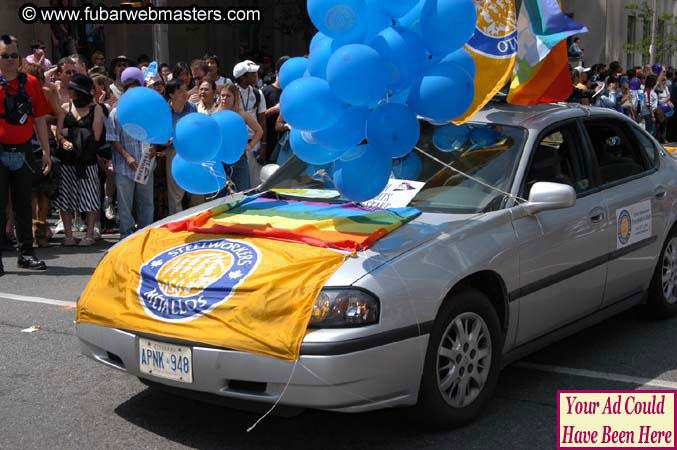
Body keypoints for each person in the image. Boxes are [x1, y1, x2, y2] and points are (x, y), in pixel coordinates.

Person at [0, 34, 52, 273]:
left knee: (23, 204)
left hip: (23, 150)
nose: (10, 60)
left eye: (13, 55)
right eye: (4, 56)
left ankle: (26, 254)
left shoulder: (31, 83)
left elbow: (40, 118)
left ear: (20, 58)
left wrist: (46, 150)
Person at [54, 73, 106, 246]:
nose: (69, 91)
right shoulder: (65, 107)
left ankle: (89, 235)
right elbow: (58, 133)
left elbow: (95, 136)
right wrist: (64, 140)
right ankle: (69, 236)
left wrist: (71, 133)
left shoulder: (95, 109)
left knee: (90, 196)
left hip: (87, 160)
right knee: (65, 197)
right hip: (67, 159)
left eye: (73, 89)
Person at [21, 62, 64, 247]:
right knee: (33, 191)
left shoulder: (45, 92)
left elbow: (59, 113)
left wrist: (57, 131)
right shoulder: (18, 91)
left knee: (41, 191)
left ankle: (39, 229)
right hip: (25, 143)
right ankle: (35, 230)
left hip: (42, 143)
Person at [107, 79, 155, 239]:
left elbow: (155, 134)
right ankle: (125, 234)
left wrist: (154, 147)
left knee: (146, 202)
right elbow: (113, 138)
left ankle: (145, 233)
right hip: (124, 165)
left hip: (145, 164)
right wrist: (127, 156)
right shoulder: (116, 113)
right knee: (124, 203)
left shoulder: (148, 112)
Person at [216, 83, 263, 193]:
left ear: (235, 98)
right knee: (222, 193)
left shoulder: (242, 114)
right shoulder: (215, 114)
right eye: (222, 95)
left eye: (228, 96)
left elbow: (259, 130)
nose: (224, 98)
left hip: (239, 158)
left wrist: (250, 145)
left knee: (243, 191)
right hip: (221, 159)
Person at [164, 78, 197, 215]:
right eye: (180, 91)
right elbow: (160, 135)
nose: (185, 93)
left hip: (192, 151)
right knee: (175, 192)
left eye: (185, 90)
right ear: (171, 95)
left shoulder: (192, 108)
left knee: (196, 188)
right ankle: (177, 222)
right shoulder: (164, 111)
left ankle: (195, 218)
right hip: (174, 152)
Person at [233, 59, 267, 184]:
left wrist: (263, 144)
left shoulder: (258, 93)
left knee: (255, 181)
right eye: (252, 73)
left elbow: (262, 119)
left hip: (254, 141)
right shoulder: (231, 93)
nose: (256, 75)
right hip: (236, 143)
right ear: (243, 77)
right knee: (239, 181)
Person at [262, 56, 288, 163]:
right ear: (277, 73)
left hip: (286, 143)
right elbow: (259, 117)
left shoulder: (293, 91)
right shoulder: (266, 91)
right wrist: (275, 109)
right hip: (270, 140)